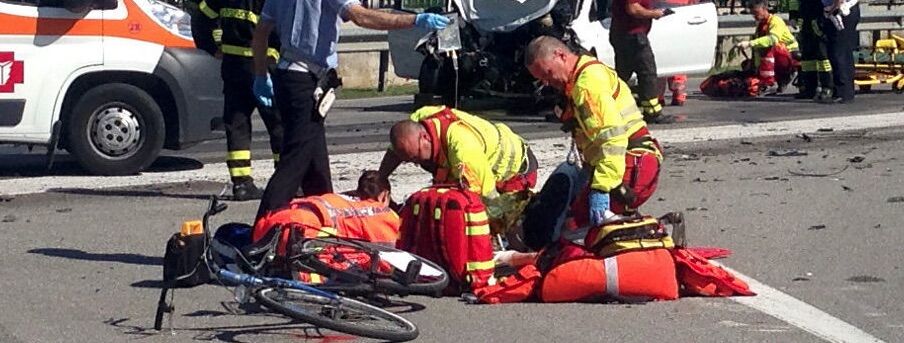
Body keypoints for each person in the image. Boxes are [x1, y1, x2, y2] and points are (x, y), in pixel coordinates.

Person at [250, 1, 451, 219]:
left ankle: (324, 221)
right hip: (304, 80)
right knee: (295, 162)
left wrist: (260, 75)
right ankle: (263, 227)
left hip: (289, 75)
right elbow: (362, 17)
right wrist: (415, 20)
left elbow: (261, 30)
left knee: (315, 165)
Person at [525, 36, 663, 228]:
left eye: (548, 73)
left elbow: (612, 140)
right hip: (625, 162)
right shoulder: (580, 77)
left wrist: (601, 188)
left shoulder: (587, 85)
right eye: (541, 79)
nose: (547, 82)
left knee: (576, 227)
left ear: (560, 55)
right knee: (589, 224)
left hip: (630, 162)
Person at [191, 0, 285, 201]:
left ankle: (241, 184)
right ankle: (285, 180)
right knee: (279, 125)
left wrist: (211, 46)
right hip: (265, 66)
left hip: (234, 67)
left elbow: (200, 17)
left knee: (237, 125)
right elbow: (282, 27)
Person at [253, 170, 399, 282]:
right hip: (301, 231)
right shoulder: (382, 212)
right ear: (384, 196)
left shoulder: (340, 198)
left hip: (269, 224)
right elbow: (388, 255)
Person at [378, 106, 538, 199]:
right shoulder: (418, 121)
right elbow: (397, 149)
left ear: (425, 137)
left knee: (506, 225)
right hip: (478, 164)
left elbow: (485, 197)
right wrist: (381, 178)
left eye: (415, 157)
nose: (415, 163)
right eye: (407, 159)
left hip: (515, 173)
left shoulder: (463, 149)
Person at [609, 0, 675, 123]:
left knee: (623, 74)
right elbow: (633, 9)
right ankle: (652, 113)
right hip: (632, 36)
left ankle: (607, 106)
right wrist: (654, 13)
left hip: (625, 34)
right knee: (647, 73)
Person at [737, 0, 800, 94]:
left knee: (769, 47)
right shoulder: (761, 25)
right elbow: (758, 48)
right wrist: (754, 67)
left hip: (790, 53)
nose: (755, 16)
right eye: (753, 14)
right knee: (748, 64)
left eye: (756, 13)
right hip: (778, 55)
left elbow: (772, 40)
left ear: (764, 9)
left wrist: (749, 43)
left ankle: (772, 82)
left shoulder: (775, 21)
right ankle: (771, 79)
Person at [798, 0, 835, 102]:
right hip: (805, 18)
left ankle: (827, 87)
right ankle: (809, 88)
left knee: (822, 56)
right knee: (807, 57)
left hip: (818, 16)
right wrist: (793, 16)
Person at [824, 0, 860, 103]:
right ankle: (842, 91)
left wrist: (832, 9)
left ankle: (844, 93)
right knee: (840, 52)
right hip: (839, 9)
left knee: (839, 53)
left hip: (840, 11)